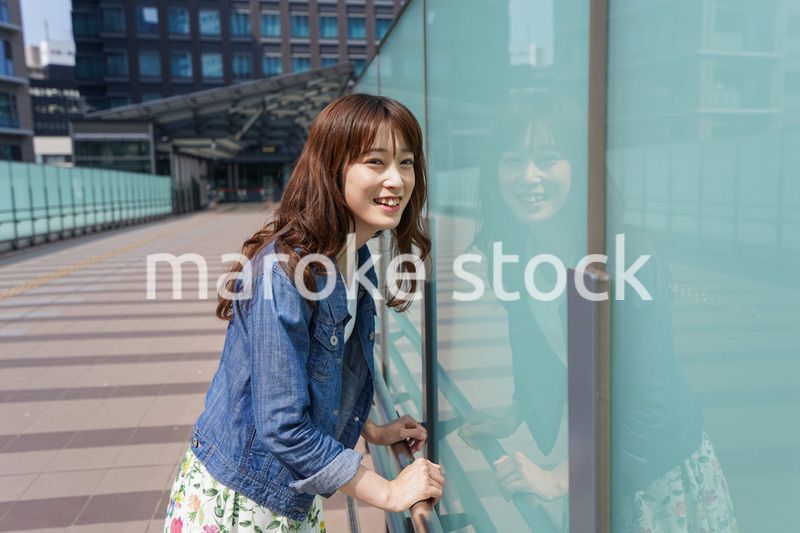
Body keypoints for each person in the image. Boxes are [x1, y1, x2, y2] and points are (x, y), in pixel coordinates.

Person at [163, 94, 445, 533]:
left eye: (406, 163)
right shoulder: (286, 273)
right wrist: (389, 492)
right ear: (334, 169)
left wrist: (370, 430)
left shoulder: (356, 256)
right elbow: (281, 423)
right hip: (241, 504)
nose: (396, 180)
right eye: (376, 162)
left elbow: (319, 372)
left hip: (286, 493)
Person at [460, 92, 737, 532]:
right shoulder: (516, 254)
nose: (528, 176)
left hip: (654, 470)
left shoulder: (627, 257)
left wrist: (557, 478)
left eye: (548, 158)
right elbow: (538, 345)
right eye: (512, 160)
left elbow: (652, 406)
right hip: (593, 460)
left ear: (579, 165)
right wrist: (514, 412)